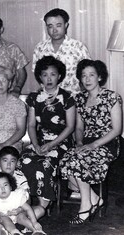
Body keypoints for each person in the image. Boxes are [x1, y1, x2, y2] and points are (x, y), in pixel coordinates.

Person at [59, 59, 122, 225]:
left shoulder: (112, 97)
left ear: (99, 77)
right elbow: (79, 128)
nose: (87, 79)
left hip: (107, 144)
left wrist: (93, 145)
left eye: (91, 75)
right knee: (66, 160)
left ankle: (85, 206)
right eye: (83, 76)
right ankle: (94, 199)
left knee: (78, 161)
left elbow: (116, 130)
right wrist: (79, 143)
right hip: (86, 142)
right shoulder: (79, 99)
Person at [19, 56, 75, 211]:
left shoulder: (67, 97)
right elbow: (31, 125)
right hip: (40, 141)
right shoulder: (34, 98)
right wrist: (36, 144)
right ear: (39, 77)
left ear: (59, 76)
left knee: (46, 163)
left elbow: (70, 127)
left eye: (53, 74)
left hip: (61, 143)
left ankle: (43, 205)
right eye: (45, 74)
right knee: (23, 160)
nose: (49, 78)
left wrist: (51, 144)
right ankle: (22, 203)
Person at [0, 146, 46, 234]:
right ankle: (3, 229)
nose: (8, 165)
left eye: (12, 161)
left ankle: (36, 231)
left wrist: (19, 210)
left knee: (40, 210)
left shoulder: (20, 177)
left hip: (19, 212)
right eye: (5, 160)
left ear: (17, 162)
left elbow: (28, 200)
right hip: (2, 214)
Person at [32, 8, 91, 94]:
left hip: (73, 98)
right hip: (48, 99)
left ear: (66, 25)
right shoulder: (39, 48)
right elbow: (37, 74)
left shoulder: (78, 47)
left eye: (58, 25)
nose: (54, 30)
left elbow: (87, 72)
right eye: (50, 26)